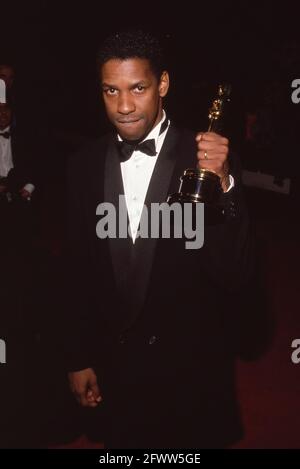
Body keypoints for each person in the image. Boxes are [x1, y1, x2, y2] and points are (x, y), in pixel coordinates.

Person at [65, 30, 268, 448]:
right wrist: (78, 357)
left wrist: (226, 182)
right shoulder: (82, 165)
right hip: (116, 372)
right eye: (111, 90)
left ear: (163, 85)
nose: (123, 106)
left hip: (188, 376)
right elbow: (76, 271)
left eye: (138, 88)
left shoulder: (205, 160)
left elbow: (236, 274)